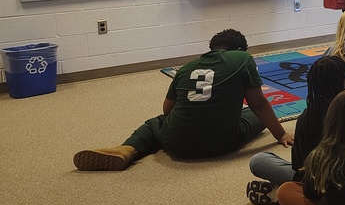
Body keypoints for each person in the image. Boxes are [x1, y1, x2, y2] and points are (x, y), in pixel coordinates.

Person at [74, 29, 293, 171]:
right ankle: (129, 149)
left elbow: (167, 109)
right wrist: (281, 134)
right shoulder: (243, 58)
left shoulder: (187, 67)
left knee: (155, 123)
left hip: (177, 144)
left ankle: (127, 149)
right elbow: (258, 103)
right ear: (239, 50)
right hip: (223, 142)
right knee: (255, 115)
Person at [247, 55, 345, 204]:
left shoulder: (308, 118)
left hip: (319, 185)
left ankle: (284, 195)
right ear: (344, 81)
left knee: (258, 161)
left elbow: (299, 166)